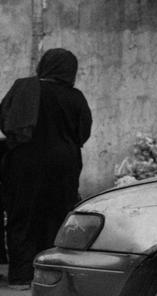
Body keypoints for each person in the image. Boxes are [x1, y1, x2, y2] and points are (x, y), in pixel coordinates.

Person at [0, 48, 92, 289]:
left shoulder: (24, 89)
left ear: (44, 65)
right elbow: (83, 132)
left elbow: (4, 120)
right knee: (56, 216)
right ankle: (51, 277)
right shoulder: (76, 97)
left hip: (25, 163)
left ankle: (21, 277)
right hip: (64, 165)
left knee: (22, 217)